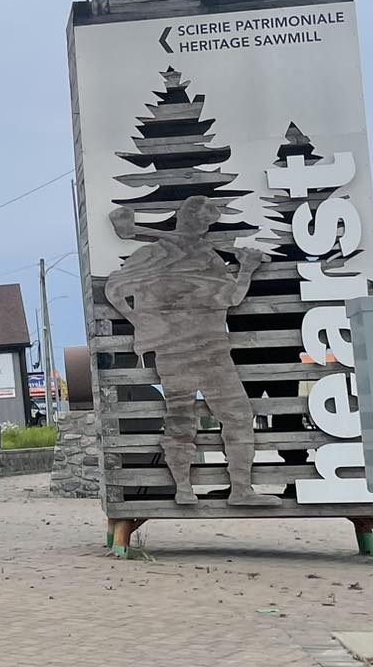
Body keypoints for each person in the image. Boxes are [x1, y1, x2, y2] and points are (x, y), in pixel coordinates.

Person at [106, 194, 274, 505]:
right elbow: (115, 289)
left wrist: (246, 267)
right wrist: (144, 322)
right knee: (211, 417)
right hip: (192, 352)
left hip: (204, 351)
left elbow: (230, 298)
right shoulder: (162, 257)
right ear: (189, 220)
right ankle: (195, 488)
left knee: (203, 418)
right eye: (203, 219)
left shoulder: (205, 258)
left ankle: (236, 490)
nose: (203, 226)